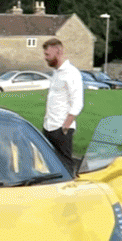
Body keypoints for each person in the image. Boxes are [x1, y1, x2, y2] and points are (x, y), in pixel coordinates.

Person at [41, 38, 83, 176]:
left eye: (48, 55)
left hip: (61, 128)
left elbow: (77, 102)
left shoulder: (71, 73)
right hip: (49, 126)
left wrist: (66, 125)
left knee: (65, 164)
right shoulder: (56, 73)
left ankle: (69, 191)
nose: (46, 58)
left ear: (58, 51)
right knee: (50, 163)